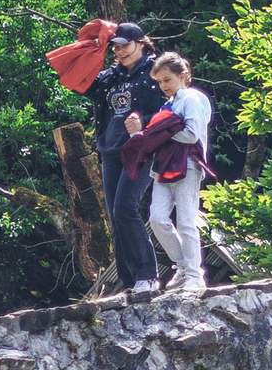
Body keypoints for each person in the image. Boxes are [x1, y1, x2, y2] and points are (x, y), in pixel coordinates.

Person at [127, 52, 214, 291]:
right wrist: (143, 135)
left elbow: (191, 134)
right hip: (163, 167)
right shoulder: (169, 103)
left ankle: (195, 276)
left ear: (183, 75)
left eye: (167, 80)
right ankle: (183, 265)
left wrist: (159, 131)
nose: (163, 86)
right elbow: (159, 134)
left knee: (186, 220)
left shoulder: (191, 98)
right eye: (160, 82)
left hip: (188, 164)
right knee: (156, 219)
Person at [91, 22, 164, 292]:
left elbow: (170, 108)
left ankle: (147, 274)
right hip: (110, 150)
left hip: (140, 149)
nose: (120, 52)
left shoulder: (157, 70)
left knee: (125, 207)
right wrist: (93, 48)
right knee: (114, 214)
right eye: (116, 47)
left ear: (141, 43)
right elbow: (79, 83)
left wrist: (144, 121)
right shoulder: (109, 76)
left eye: (125, 46)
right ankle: (129, 279)